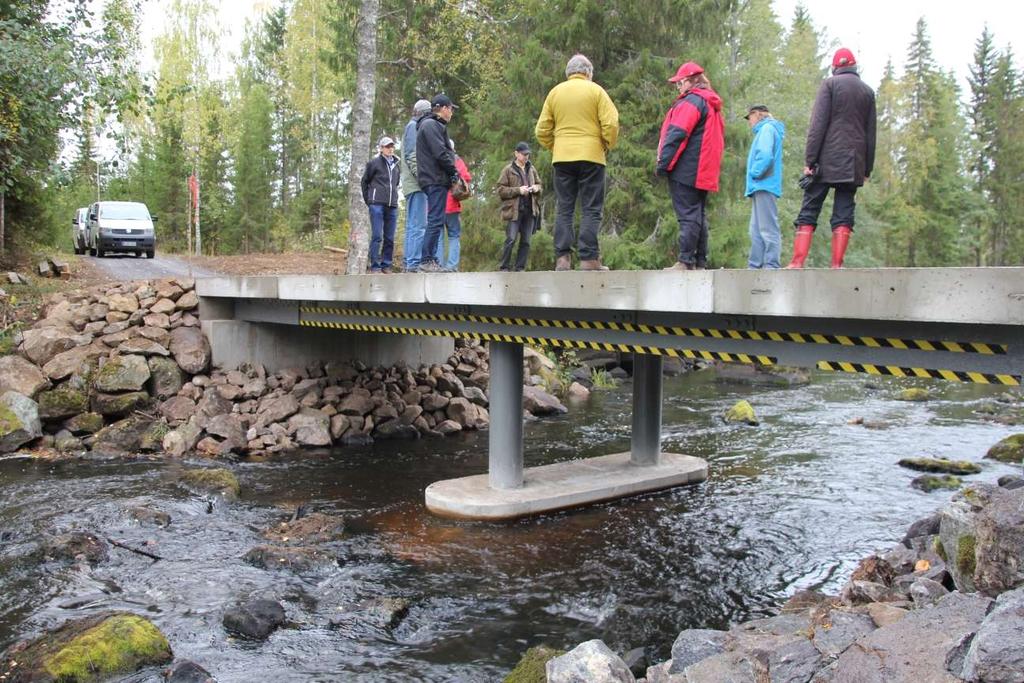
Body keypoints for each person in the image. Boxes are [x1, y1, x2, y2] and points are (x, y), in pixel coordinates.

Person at [787, 47, 876, 269]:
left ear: (835, 67)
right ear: (854, 67)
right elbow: (871, 133)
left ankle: (797, 262)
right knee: (844, 212)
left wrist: (810, 160)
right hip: (854, 162)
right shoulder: (867, 92)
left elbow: (817, 125)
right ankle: (837, 265)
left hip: (825, 160)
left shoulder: (830, 85)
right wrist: (867, 169)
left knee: (809, 208)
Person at [535, 54, 619, 271]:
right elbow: (611, 123)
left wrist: (557, 146)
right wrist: (606, 144)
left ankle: (562, 258)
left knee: (565, 208)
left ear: (568, 73)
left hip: (562, 158)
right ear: (588, 73)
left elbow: (541, 130)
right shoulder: (596, 91)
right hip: (591, 156)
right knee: (591, 208)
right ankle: (589, 258)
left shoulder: (555, 93)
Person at [656, 61, 724, 270]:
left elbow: (677, 133)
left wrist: (664, 163)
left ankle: (685, 261)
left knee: (687, 215)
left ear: (690, 81)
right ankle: (699, 261)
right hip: (703, 168)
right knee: (698, 214)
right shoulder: (711, 104)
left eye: (680, 83)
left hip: (687, 167)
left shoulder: (691, 101)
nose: (678, 88)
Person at [416, 94, 459, 273]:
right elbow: (440, 153)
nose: (451, 113)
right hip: (434, 179)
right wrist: (453, 172)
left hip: (435, 179)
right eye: (450, 109)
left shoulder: (431, 125)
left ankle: (431, 258)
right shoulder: (431, 125)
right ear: (442, 108)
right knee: (435, 220)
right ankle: (426, 260)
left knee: (437, 219)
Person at [743, 104, 785, 269]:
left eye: (750, 117)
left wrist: (755, 173)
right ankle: (755, 266)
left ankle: (770, 265)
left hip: (764, 184)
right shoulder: (766, 130)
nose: (749, 122)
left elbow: (766, 155)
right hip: (760, 185)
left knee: (767, 229)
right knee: (756, 230)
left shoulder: (767, 129)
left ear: (757, 115)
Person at [496, 141, 543, 271]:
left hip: (530, 210)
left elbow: (540, 185)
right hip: (514, 211)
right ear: (516, 153)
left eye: (527, 154)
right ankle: (504, 267)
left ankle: (520, 268)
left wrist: (536, 188)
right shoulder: (508, 170)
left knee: (526, 241)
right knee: (511, 239)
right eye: (523, 154)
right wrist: (518, 190)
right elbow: (500, 190)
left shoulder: (532, 169)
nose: (526, 157)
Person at [360, 136, 401, 273]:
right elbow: (364, 182)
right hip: (376, 204)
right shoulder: (374, 163)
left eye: (391, 146)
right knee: (377, 236)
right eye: (387, 146)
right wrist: (369, 200)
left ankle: (386, 264)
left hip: (392, 205)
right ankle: (375, 265)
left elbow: (395, 183)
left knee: (389, 237)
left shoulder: (396, 165)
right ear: (381, 148)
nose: (390, 149)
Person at [400, 99, 432, 272]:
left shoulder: (411, 126)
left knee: (413, 224)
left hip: (412, 184)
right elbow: (412, 155)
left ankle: (408, 262)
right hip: (416, 185)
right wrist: (424, 179)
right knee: (418, 225)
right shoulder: (413, 127)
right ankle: (413, 263)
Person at [436, 140, 471, 272]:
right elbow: (467, 177)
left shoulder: (437, 160)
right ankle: (451, 266)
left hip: (437, 205)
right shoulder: (457, 160)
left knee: (438, 236)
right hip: (452, 205)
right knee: (454, 236)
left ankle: (438, 265)